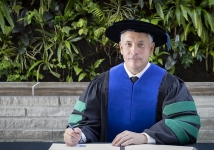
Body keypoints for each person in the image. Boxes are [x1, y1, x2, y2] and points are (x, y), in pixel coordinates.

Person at [63, 20, 201, 147]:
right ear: (121, 48)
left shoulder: (170, 85)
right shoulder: (101, 83)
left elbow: (185, 124)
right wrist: (78, 136)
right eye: (128, 44)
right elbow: (85, 122)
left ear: (151, 49)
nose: (134, 51)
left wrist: (145, 137)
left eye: (141, 44)